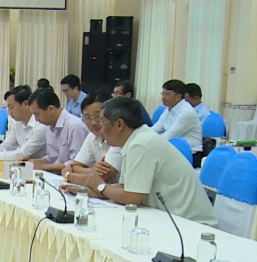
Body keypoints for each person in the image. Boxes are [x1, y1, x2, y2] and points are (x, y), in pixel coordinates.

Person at [60, 97, 216, 227]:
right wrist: (86, 190)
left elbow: (132, 198)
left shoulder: (141, 144)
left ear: (119, 124)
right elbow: (124, 187)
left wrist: (100, 186)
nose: (100, 128)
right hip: (172, 219)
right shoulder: (134, 141)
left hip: (192, 226)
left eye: (103, 123)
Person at [61, 92, 122, 185]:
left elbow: (103, 177)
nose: (93, 123)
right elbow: (75, 165)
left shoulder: (118, 137)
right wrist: (91, 171)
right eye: (88, 117)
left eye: (98, 116)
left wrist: (68, 175)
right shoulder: (92, 135)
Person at [24, 88, 89, 174]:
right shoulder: (49, 125)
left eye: (37, 114)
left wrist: (44, 166)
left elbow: (76, 163)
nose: (36, 119)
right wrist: (34, 162)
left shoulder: (74, 126)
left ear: (51, 109)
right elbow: (52, 157)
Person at [0, 85, 47, 161]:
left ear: (25, 104)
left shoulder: (40, 126)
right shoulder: (18, 123)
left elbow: (21, 154)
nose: (9, 112)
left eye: (11, 107)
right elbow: (6, 146)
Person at [151, 79, 203, 163]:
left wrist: (147, 141)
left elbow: (168, 136)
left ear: (178, 97)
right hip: (174, 151)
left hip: (190, 155)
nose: (163, 97)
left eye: (167, 94)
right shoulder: (168, 110)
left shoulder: (186, 113)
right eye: (163, 93)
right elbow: (155, 129)